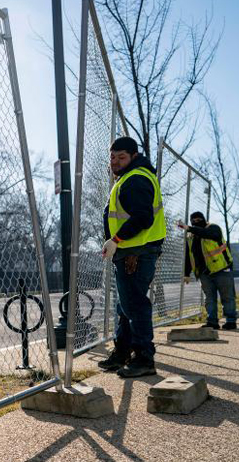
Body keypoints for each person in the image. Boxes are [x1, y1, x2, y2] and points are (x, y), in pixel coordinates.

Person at [97, 137, 166, 378]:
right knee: (125, 305)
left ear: (134, 156)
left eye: (121, 157)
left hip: (135, 252)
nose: (115, 162)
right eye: (113, 157)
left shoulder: (136, 178)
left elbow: (143, 218)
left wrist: (116, 241)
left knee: (134, 304)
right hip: (132, 251)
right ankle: (123, 352)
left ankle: (144, 357)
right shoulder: (131, 176)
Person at [178, 213, 237, 330]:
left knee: (227, 297)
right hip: (204, 273)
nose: (196, 221)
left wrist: (189, 228)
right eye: (193, 220)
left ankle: (231, 321)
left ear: (204, 219)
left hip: (221, 269)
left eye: (199, 219)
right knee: (209, 299)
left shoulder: (213, 228)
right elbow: (189, 256)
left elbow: (208, 234)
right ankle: (212, 322)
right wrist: (186, 273)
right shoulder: (190, 237)